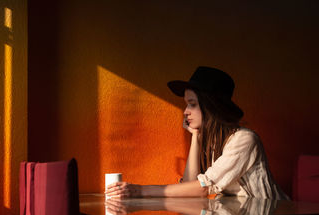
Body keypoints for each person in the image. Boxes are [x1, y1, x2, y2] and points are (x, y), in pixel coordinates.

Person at [105, 66, 289, 200]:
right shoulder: (212, 141)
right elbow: (190, 186)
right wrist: (195, 137)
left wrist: (139, 191)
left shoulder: (244, 139)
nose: (185, 111)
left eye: (192, 104)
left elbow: (203, 187)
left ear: (211, 106)